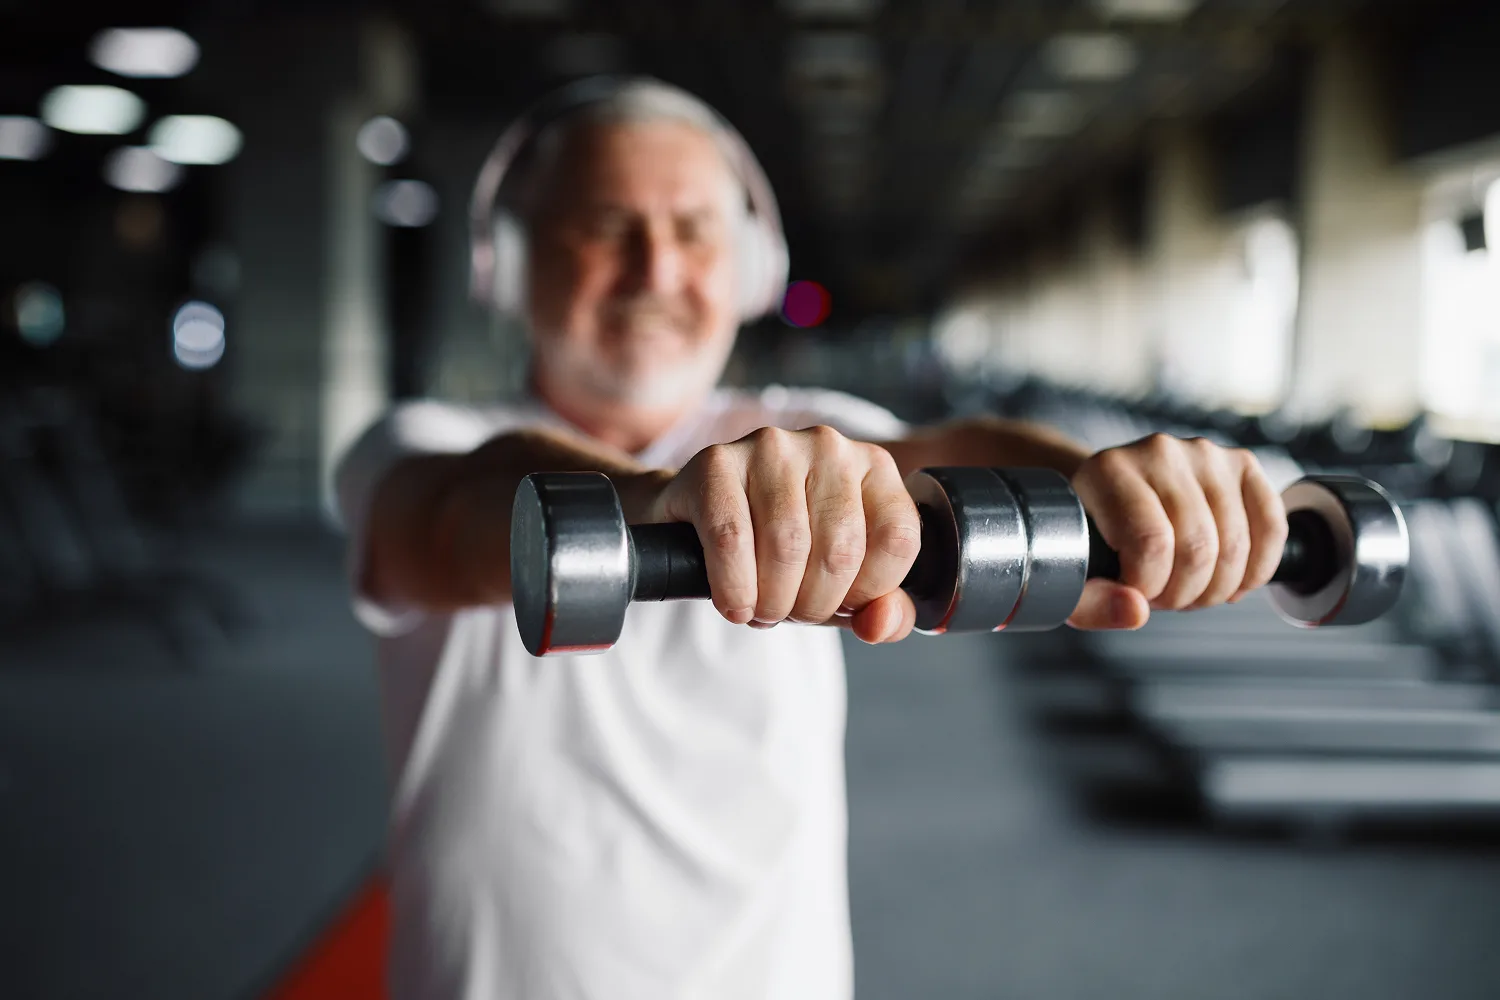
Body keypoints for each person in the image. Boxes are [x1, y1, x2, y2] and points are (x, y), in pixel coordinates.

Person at [334, 77, 1288, 1000]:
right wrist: (668, 499)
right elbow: (458, 511)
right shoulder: (417, 445)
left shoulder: (802, 430)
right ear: (509, 259)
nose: (658, 270)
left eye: (694, 231)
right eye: (606, 227)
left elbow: (946, 450)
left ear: (748, 269)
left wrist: (1098, 479)